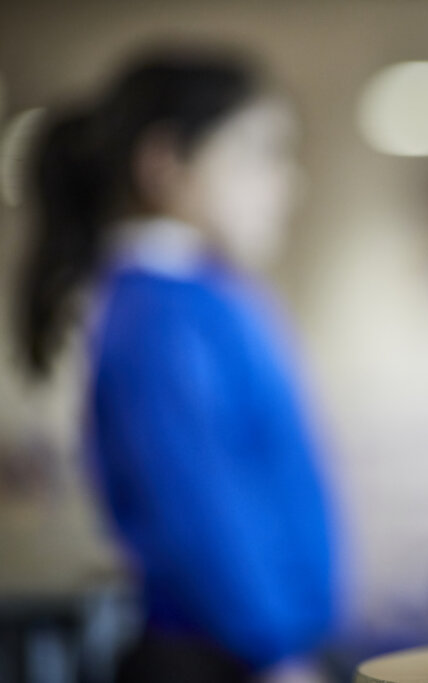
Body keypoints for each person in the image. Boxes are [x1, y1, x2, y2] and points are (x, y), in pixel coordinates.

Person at [16, 49, 342, 682]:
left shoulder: (203, 296)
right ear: (165, 164)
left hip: (252, 645)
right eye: (260, 153)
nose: (288, 181)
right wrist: (274, 651)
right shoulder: (157, 314)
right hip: (220, 654)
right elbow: (194, 504)